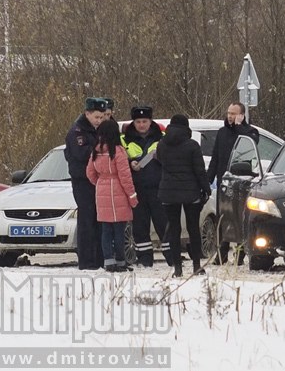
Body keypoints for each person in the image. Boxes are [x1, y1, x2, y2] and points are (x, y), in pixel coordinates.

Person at [157, 114, 212, 277]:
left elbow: (160, 162)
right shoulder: (192, 145)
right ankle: (196, 265)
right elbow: (200, 171)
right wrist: (206, 189)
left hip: (168, 192)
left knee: (174, 230)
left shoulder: (162, 144)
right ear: (186, 128)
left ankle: (177, 268)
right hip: (191, 193)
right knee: (193, 228)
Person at [207, 102, 259, 265]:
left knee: (239, 219)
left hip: (241, 183)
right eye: (229, 113)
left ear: (242, 116)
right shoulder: (222, 132)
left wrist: (239, 127)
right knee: (223, 219)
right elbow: (215, 158)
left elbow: (251, 143)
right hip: (224, 182)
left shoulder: (250, 132)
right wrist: (208, 181)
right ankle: (221, 254)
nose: (230, 116)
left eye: (234, 113)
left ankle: (240, 254)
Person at [121, 106, 171, 267]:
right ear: (133, 122)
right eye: (138, 122)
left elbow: (172, 159)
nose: (141, 125)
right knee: (140, 226)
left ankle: (171, 256)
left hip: (158, 188)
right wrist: (130, 163)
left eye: (145, 121)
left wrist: (160, 157)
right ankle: (144, 259)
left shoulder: (162, 137)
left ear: (150, 121)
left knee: (163, 224)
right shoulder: (124, 139)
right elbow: (119, 162)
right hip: (137, 189)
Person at [86, 120, 139, 272]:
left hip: (102, 189)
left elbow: (90, 173)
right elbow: (125, 177)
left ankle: (108, 260)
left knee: (106, 230)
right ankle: (121, 261)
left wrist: (100, 182)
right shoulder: (118, 151)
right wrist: (132, 196)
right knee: (119, 229)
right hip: (118, 191)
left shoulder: (96, 151)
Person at [64, 97, 107, 270]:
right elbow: (82, 154)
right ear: (87, 113)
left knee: (99, 221)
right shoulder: (77, 131)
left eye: (102, 117)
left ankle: (99, 259)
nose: (99, 120)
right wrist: (100, 149)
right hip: (82, 181)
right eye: (96, 117)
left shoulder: (97, 130)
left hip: (97, 180)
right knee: (87, 221)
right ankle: (87, 260)